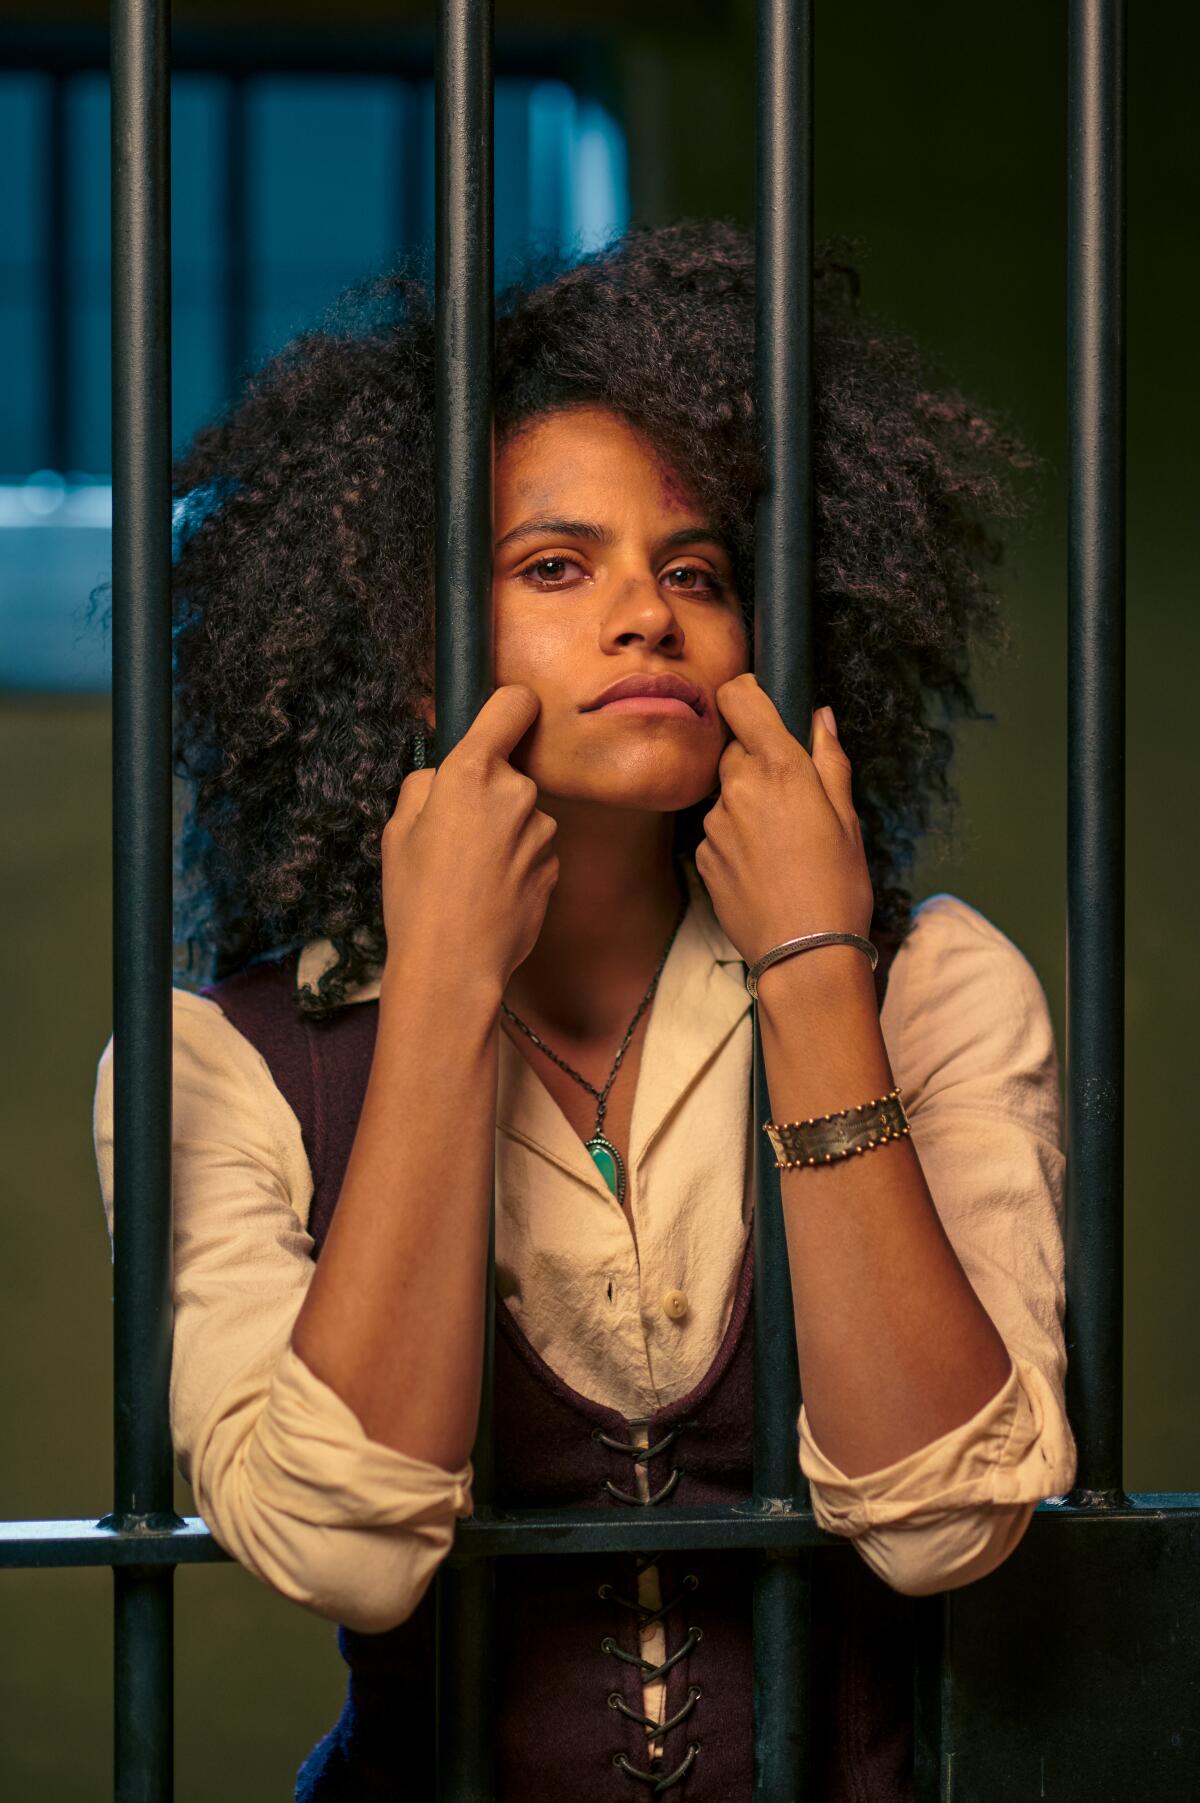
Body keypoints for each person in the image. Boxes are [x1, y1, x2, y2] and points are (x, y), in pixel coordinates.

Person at [92, 219, 1076, 1800]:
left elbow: (944, 1522)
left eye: (694, 571)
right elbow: (344, 1552)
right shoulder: (219, 1064)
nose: (649, 616)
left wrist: (815, 963)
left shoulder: (938, 986)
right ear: (421, 664)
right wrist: (443, 996)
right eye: (558, 567)